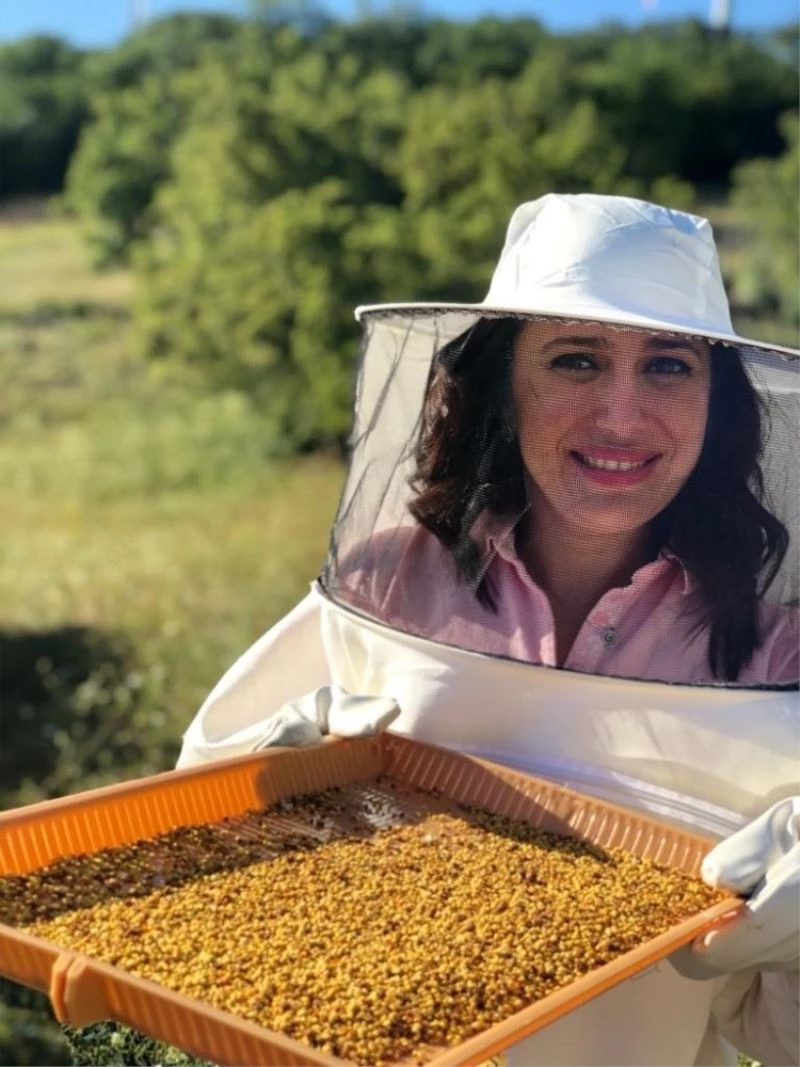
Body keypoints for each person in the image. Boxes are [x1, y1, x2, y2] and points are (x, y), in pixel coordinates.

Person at [178, 194, 799, 1066]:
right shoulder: (386, 579)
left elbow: (774, 1028)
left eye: (668, 367)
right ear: (503, 384)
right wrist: (250, 806)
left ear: (716, 403)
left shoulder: (775, 656)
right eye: (576, 360)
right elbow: (189, 870)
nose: (621, 417)